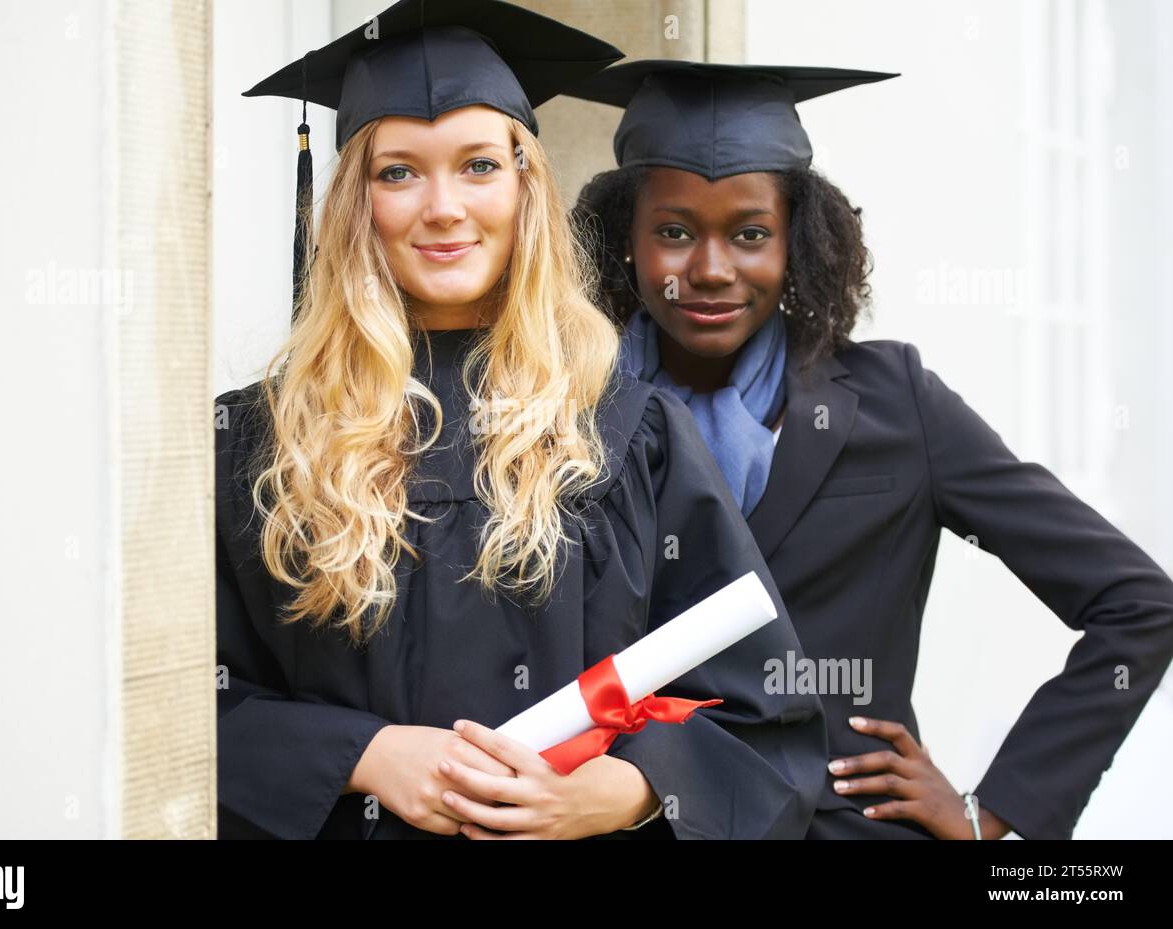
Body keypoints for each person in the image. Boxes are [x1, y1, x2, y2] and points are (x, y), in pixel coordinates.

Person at [216, 2, 827, 840]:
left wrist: (623, 791)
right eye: (398, 172)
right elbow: (189, 701)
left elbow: (764, 711)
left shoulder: (622, 427)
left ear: (525, 186)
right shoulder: (261, 440)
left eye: (477, 166)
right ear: (355, 200)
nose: (442, 207)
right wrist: (361, 754)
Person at [569, 60, 1173, 839]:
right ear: (626, 241)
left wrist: (993, 812)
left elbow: (1139, 603)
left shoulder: (895, 404)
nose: (711, 269)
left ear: (799, 241)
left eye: (751, 233)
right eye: (675, 232)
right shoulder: (573, 418)